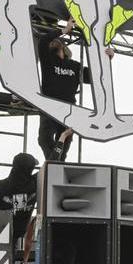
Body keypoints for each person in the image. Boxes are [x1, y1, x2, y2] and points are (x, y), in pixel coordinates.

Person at [35, 18, 92, 162]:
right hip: (49, 106)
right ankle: (54, 163)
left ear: (64, 48)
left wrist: (107, 57)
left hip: (68, 109)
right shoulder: (48, 60)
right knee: (43, 139)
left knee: (66, 140)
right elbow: (42, 41)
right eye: (53, 41)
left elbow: (95, 77)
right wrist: (64, 31)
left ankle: (58, 164)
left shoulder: (74, 66)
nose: (55, 41)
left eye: (59, 41)